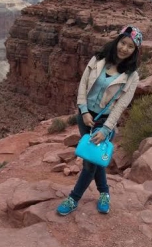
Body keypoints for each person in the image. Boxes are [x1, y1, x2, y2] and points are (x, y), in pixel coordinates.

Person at [57, 25, 142, 215]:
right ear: (117, 41)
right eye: (123, 43)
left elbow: (121, 105)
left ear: (135, 51)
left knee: (89, 163)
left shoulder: (132, 76)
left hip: (105, 122)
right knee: (94, 159)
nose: (125, 48)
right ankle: (104, 192)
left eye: (130, 46)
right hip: (85, 117)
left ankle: (73, 198)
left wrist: (106, 129)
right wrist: (83, 111)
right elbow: (83, 85)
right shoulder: (98, 59)